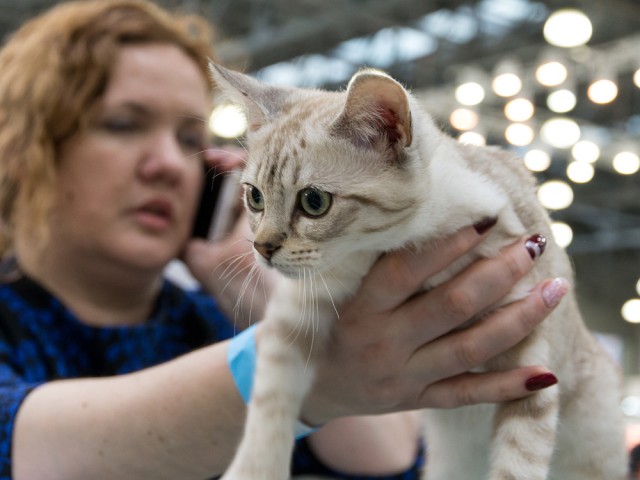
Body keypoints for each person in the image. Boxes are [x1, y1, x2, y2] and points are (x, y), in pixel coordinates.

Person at [0, 1, 566, 479]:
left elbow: (387, 461)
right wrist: (313, 365)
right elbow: (22, 444)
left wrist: (268, 286)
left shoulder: (216, 316)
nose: (172, 165)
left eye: (190, 135)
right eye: (124, 123)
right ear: (27, 146)